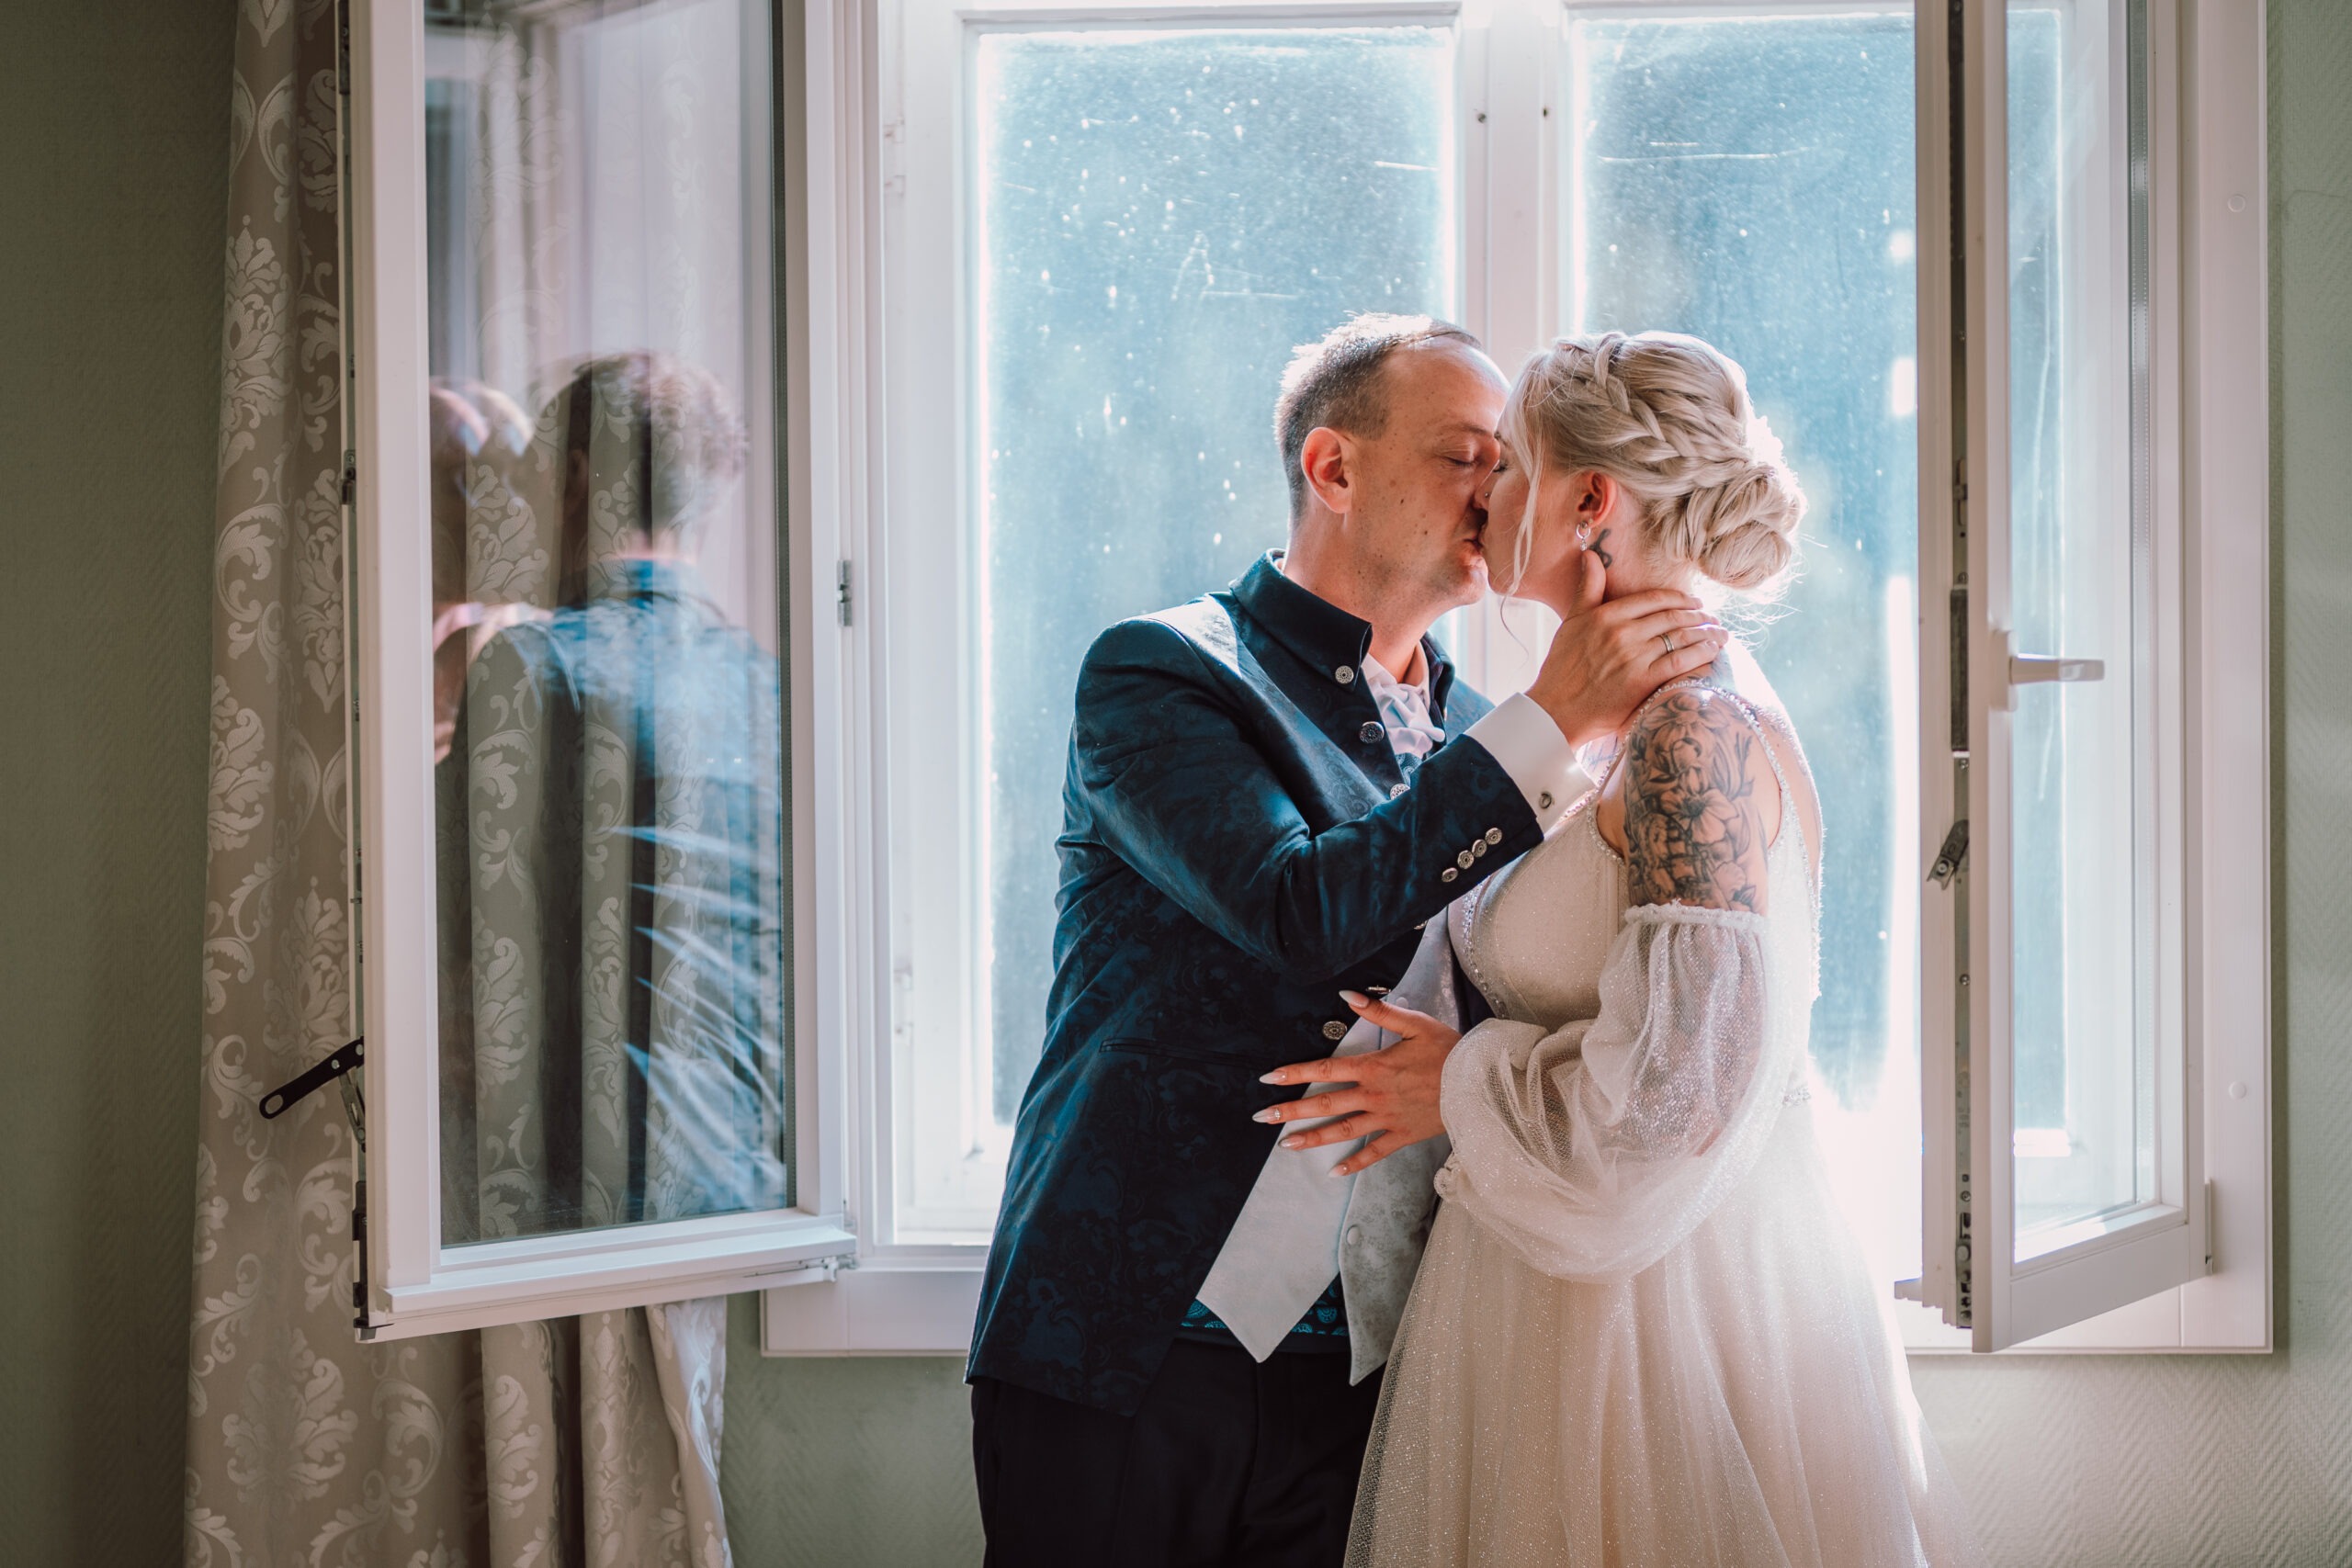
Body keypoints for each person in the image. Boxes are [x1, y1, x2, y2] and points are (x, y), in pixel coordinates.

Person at [966, 315, 1730, 1567]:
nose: (1498, 495)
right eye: (1467, 457)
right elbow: (1298, 910)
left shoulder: (1496, 733)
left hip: (1380, 1365)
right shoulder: (1162, 674)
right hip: (1130, 1344)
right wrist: (1553, 720)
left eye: (1513, 466)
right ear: (1333, 468)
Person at [1281, 332, 1975, 1566]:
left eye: (1508, 465)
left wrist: (1454, 1083)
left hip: (1652, 1322)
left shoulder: (1690, 736)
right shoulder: (1612, 727)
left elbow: (1678, 1098)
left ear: (1589, 500)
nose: (1483, 497)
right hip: (1550, 1291)